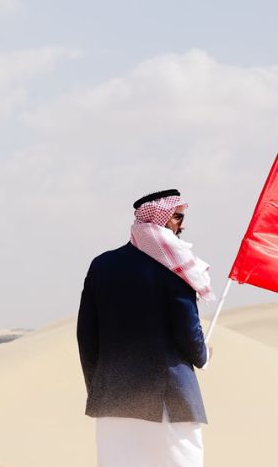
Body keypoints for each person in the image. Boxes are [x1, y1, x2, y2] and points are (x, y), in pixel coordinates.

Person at [77, 189, 215, 467]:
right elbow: (189, 334)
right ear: (159, 219)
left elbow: (86, 337)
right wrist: (205, 355)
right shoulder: (175, 268)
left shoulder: (102, 265)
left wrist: (101, 386)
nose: (182, 225)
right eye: (177, 217)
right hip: (169, 403)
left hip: (112, 400)